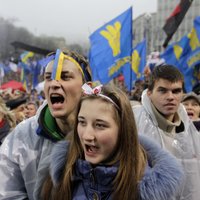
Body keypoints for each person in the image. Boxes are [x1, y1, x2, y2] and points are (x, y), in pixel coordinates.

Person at [39, 83, 183, 200]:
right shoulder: (60, 179)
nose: (87, 136)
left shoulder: (148, 192)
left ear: (123, 130)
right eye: (82, 122)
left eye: (100, 125)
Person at [0, 49, 92, 200]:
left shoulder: (104, 136)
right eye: (48, 78)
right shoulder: (21, 137)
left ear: (86, 88)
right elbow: (6, 193)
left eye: (65, 77)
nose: (54, 84)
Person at [133, 64, 200, 200]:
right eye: (163, 91)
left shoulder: (189, 130)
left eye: (176, 91)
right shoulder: (133, 121)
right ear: (150, 92)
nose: (170, 97)